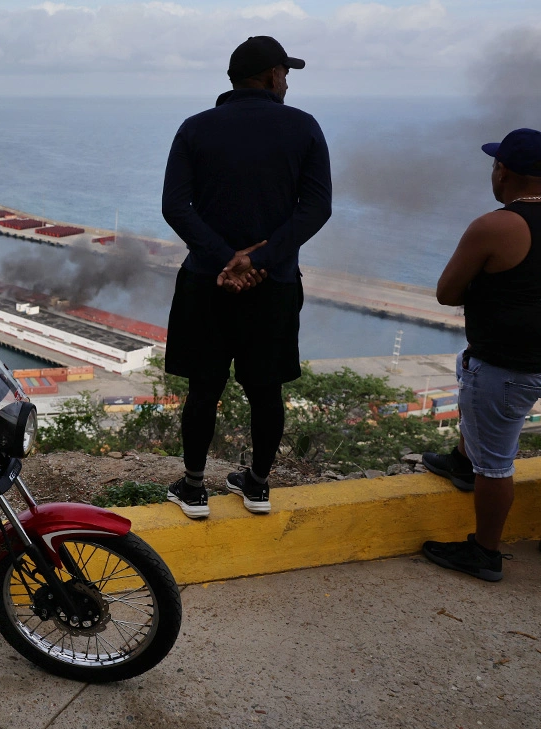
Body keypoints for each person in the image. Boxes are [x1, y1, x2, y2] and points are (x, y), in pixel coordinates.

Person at [162, 36, 332, 518]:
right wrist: (261, 260)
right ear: (270, 75)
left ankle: (194, 488)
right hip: (273, 284)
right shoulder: (303, 127)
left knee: (203, 387)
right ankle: (257, 485)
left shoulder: (195, 128)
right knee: (266, 388)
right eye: (285, 72)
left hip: (205, 281)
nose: (286, 81)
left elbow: (175, 205)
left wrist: (224, 258)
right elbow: (317, 207)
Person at [422, 128, 541, 581]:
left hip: (514, 365)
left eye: (494, 165)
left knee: (495, 463)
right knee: (468, 370)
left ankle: (484, 552)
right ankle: (461, 459)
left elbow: (446, 292)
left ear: (502, 171)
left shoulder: (493, 225)